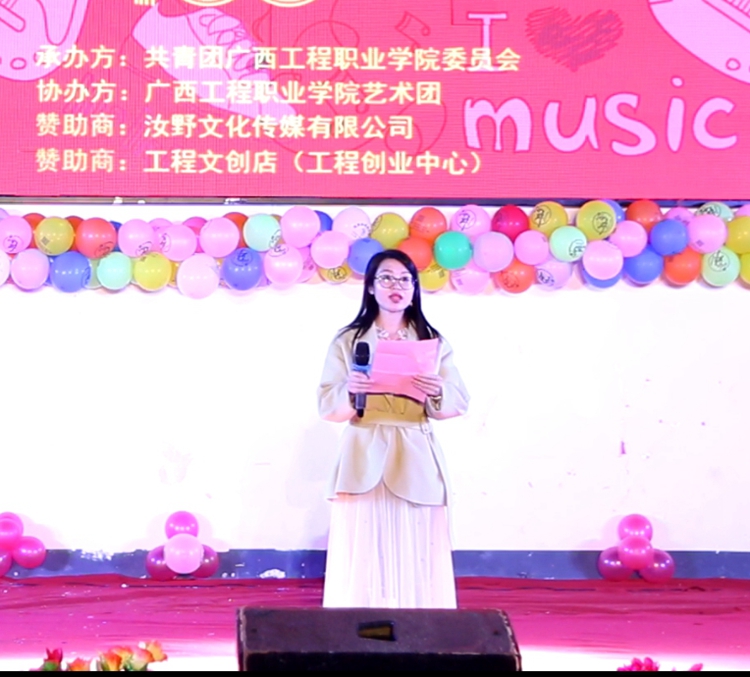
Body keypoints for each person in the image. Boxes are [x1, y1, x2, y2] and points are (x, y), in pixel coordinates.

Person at [317, 249, 469, 608]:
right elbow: (326, 404)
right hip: (363, 447)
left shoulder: (431, 340)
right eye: (386, 278)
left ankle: (420, 621)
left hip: (415, 449)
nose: (396, 286)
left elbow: (459, 400)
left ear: (414, 289)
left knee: (417, 544)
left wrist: (437, 390)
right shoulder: (349, 340)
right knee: (364, 546)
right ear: (371, 287)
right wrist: (350, 389)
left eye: (405, 279)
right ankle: (360, 623)